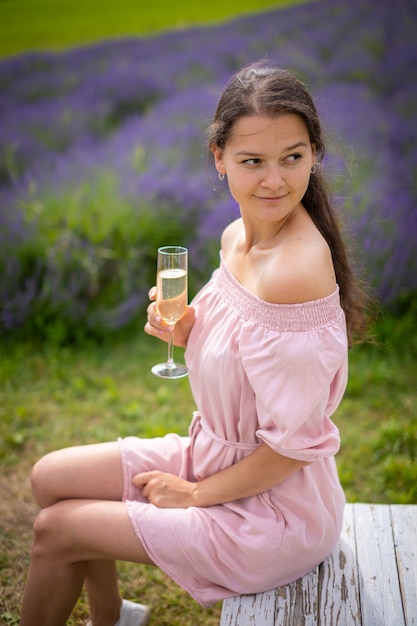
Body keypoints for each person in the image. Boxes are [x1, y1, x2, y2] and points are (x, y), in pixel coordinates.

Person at [20, 61, 371, 626]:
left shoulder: (296, 272)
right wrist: (185, 330)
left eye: (293, 158)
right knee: (47, 479)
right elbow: (234, 346)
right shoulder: (237, 237)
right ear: (219, 158)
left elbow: (289, 449)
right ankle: (113, 618)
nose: (275, 181)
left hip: (273, 513)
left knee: (55, 529)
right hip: (215, 455)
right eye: (252, 161)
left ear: (314, 153)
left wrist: (192, 495)